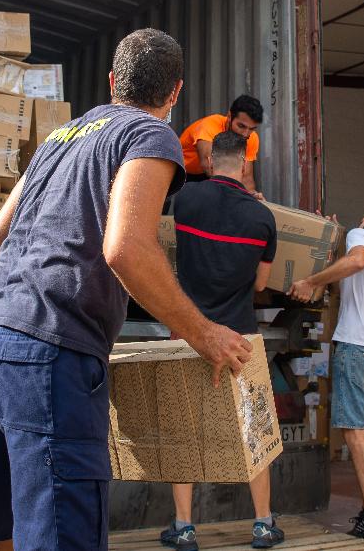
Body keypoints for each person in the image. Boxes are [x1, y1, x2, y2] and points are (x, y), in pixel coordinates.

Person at [0, 29, 252, 551]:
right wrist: (204, 334)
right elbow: (126, 249)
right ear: (175, 92)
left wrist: (28, 303)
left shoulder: (60, 137)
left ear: (113, 81)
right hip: (48, 356)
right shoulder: (149, 134)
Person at [159, 131, 282, 550]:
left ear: (210, 161)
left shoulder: (186, 200)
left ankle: (184, 527)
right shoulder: (263, 218)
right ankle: (263, 524)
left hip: (188, 332)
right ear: (245, 165)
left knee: (183, 430)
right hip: (240, 336)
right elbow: (261, 284)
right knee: (254, 428)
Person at [287, 207, 364, 544]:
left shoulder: (361, 237)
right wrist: (334, 241)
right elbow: (352, 271)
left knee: (356, 431)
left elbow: (357, 261)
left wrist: (310, 281)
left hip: (356, 347)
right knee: (362, 430)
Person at [178, 95, 263, 195]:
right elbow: (208, 166)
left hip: (213, 174)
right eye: (241, 126)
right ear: (229, 116)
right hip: (183, 172)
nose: (245, 134)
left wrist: (251, 196)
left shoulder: (252, 137)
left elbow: (246, 177)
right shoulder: (209, 126)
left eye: (252, 129)